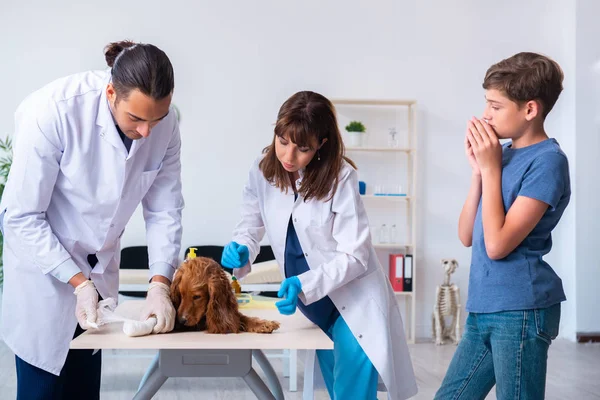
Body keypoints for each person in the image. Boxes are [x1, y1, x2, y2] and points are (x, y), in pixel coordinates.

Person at [0, 40, 184, 399]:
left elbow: (164, 209)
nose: (147, 131)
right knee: (42, 389)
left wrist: (160, 283)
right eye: (136, 119)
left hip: (99, 278)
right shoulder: (54, 112)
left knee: (84, 390)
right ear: (111, 92)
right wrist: (78, 284)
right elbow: (21, 217)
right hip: (44, 276)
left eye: (156, 119)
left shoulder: (165, 125)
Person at [221, 91, 418, 400]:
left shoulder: (340, 177)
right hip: (314, 307)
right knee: (339, 391)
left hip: (352, 302)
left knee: (351, 395)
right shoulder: (262, 169)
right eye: (283, 141)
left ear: (322, 144)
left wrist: (304, 282)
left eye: (302, 149)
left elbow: (356, 254)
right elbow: (250, 223)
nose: (288, 156)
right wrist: (242, 245)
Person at [434, 52, 570, 399]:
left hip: (521, 309)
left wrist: (492, 168)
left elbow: (497, 246)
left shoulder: (548, 162)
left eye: (496, 106)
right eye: (486, 104)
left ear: (529, 110)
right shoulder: (500, 155)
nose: (485, 115)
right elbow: (467, 235)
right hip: (484, 307)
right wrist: (480, 172)